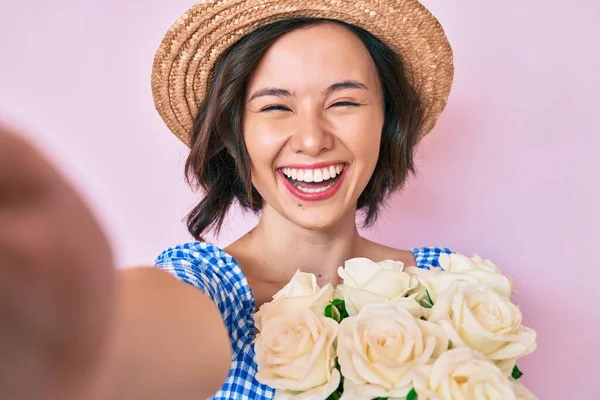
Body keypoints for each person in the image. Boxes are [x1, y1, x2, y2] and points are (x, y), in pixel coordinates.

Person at [0, 0, 455, 399]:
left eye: (344, 103)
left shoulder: (453, 292)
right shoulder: (210, 285)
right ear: (234, 132)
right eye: (276, 107)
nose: (313, 140)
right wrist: (60, 329)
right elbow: (132, 336)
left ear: (386, 119)